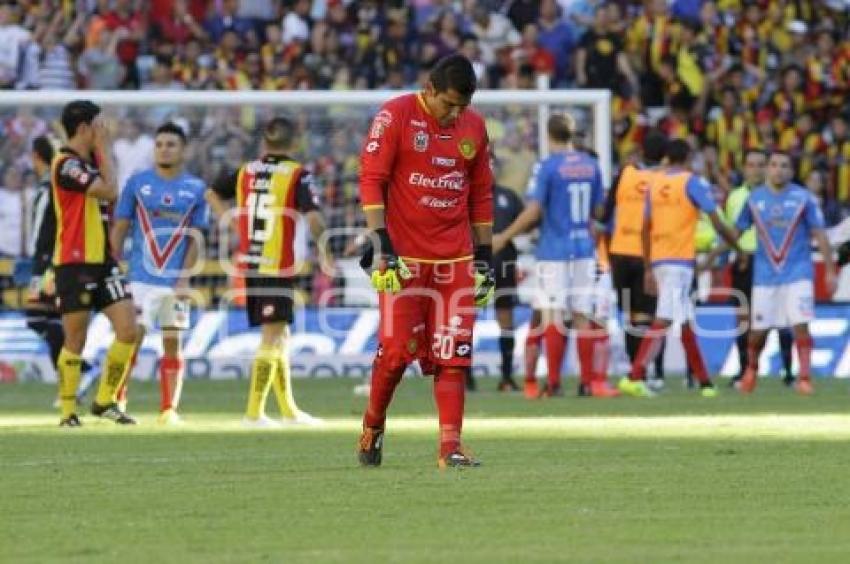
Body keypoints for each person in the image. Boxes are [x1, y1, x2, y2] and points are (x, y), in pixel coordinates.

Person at [356, 54, 494, 469]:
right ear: (429, 90)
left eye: (462, 107)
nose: (455, 114)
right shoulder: (395, 115)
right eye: (448, 104)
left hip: (456, 260)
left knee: (453, 355)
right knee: (398, 353)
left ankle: (450, 446)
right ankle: (373, 426)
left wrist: (485, 257)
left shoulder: (475, 127)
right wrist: (381, 241)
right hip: (404, 260)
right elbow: (371, 178)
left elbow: (481, 193)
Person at [206, 116, 332, 427]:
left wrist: (234, 224)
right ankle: (254, 412)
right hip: (275, 266)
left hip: (251, 262)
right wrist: (327, 252)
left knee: (281, 334)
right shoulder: (298, 175)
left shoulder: (246, 171)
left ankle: (288, 410)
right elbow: (314, 220)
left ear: (264, 141)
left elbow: (211, 193)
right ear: (295, 143)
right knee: (272, 335)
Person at [495, 113, 618, 398]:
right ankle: (586, 383)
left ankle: (553, 383)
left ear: (549, 136)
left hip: (554, 251)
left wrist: (505, 235)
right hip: (584, 250)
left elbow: (534, 211)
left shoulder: (547, 166)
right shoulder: (591, 165)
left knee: (552, 316)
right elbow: (599, 211)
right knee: (582, 315)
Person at [618, 139, 740, 398]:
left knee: (685, 323)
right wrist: (737, 247)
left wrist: (649, 267)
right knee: (663, 320)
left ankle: (705, 383)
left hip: (660, 260)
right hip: (679, 262)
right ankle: (634, 376)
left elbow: (645, 228)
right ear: (687, 158)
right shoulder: (691, 182)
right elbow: (716, 221)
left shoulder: (655, 183)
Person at [51, 100, 141, 426]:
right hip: (74, 262)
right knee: (76, 339)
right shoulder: (65, 164)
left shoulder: (89, 163)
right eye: (100, 125)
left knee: (129, 330)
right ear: (85, 128)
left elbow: (111, 195)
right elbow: (109, 189)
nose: (105, 131)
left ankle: (104, 401)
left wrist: (102, 153)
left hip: (103, 260)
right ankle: (67, 412)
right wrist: (104, 149)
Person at [111, 123, 207, 425]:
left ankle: (168, 409)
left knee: (172, 341)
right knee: (131, 338)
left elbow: (195, 237)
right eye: (160, 144)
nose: (164, 148)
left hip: (174, 282)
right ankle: (117, 402)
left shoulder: (196, 189)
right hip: (139, 278)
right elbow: (121, 227)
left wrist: (185, 277)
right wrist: (113, 265)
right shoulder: (137, 183)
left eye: (171, 144)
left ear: (183, 150)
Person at [732, 151, 837, 394]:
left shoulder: (804, 198)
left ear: (791, 171)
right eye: (774, 165)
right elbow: (736, 231)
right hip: (764, 276)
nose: (778, 169)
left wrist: (830, 270)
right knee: (757, 333)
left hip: (798, 273)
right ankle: (752, 369)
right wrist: (729, 253)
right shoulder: (754, 199)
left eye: (784, 165)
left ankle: (804, 378)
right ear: (768, 169)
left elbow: (820, 234)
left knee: (800, 325)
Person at [26, 135, 98, 406]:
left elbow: (45, 230)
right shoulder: (51, 184)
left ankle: (83, 372)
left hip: (50, 261)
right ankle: (75, 380)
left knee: (39, 319)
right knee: (48, 320)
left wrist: (43, 260)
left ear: (36, 156)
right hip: (48, 259)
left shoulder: (50, 187)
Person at [722, 149, 795, 388]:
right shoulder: (734, 198)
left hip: (773, 262)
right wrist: (733, 254)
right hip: (744, 261)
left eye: (761, 165)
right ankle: (745, 371)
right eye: (751, 165)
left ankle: (787, 371)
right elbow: (731, 232)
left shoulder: (781, 196)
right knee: (743, 319)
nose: (756, 170)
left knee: (782, 318)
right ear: (744, 169)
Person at [599, 130, 667, 379]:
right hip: (647, 254)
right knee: (648, 318)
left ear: (641, 151)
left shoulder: (624, 174)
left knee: (630, 317)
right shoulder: (664, 180)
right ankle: (646, 374)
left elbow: (605, 215)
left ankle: (633, 369)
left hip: (619, 253)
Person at [492, 178, 524, 392]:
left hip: (504, 263)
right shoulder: (463, 193)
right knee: (464, 320)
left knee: (506, 319)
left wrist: (504, 238)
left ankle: (506, 376)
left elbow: (527, 221)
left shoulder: (509, 196)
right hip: (472, 264)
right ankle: (463, 377)